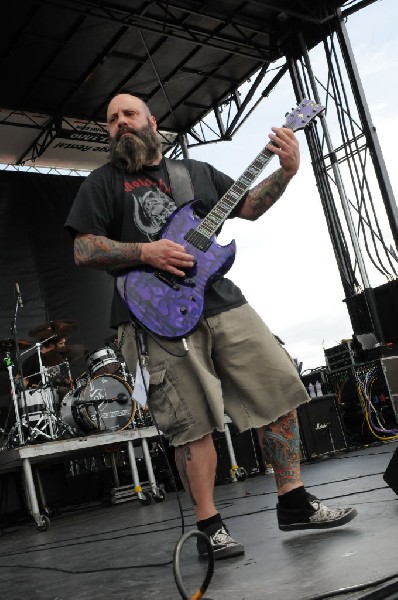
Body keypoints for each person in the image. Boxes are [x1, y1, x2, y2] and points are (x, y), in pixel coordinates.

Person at [65, 93, 358, 560]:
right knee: (191, 424)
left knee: (278, 387)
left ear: (151, 122)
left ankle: (294, 501)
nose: (120, 123)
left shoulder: (192, 172)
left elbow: (250, 206)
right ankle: (209, 526)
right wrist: (146, 252)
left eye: (129, 114)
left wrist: (284, 172)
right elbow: (83, 250)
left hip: (220, 299)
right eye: (112, 119)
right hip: (151, 316)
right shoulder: (103, 183)